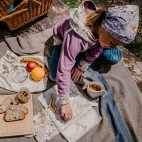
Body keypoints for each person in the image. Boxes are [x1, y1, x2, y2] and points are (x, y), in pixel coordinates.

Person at [49, 0, 139, 121]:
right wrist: (64, 102)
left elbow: (97, 50)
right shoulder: (75, 38)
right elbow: (64, 67)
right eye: (112, 43)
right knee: (55, 76)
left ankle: (106, 43)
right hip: (65, 40)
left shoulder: (102, 33)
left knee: (113, 57)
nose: (111, 46)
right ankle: (81, 51)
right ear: (104, 29)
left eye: (115, 45)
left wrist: (81, 68)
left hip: (92, 42)